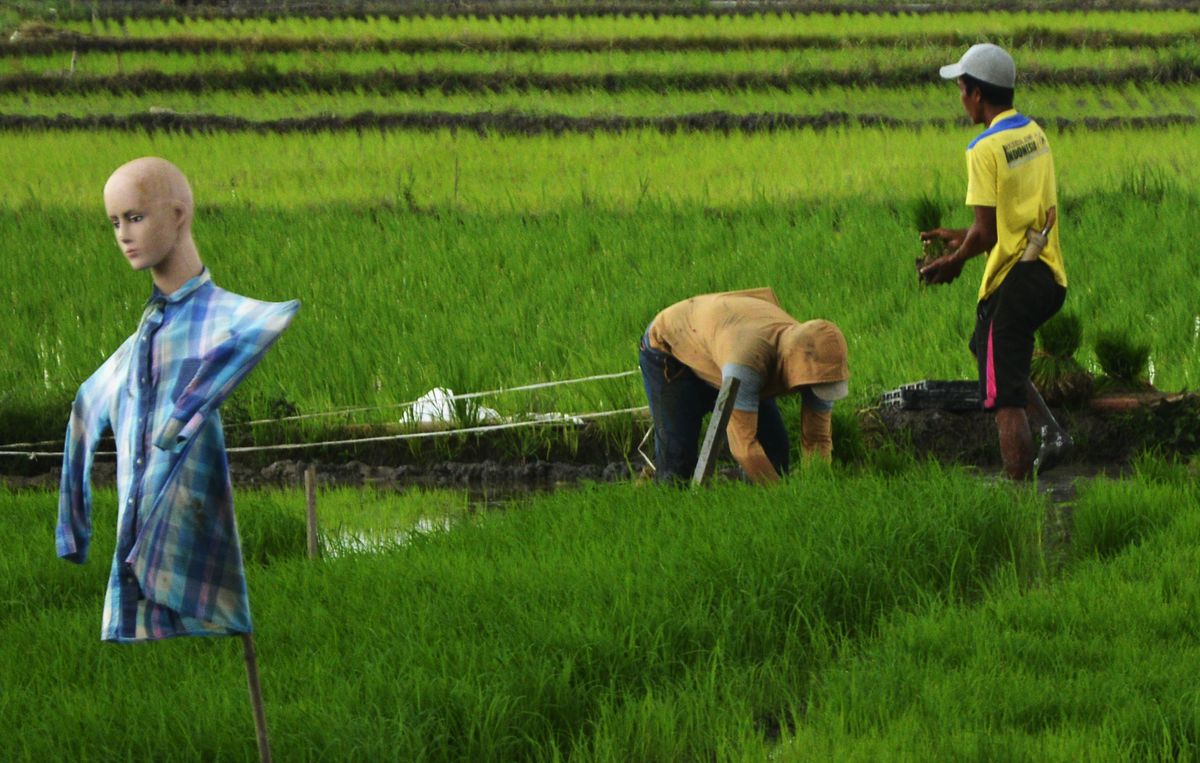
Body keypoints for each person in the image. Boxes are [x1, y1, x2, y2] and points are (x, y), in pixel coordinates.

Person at [57, 157, 300, 642]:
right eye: (115, 222)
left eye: (136, 217)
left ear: (178, 215)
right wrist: (73, 530)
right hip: (139, 545)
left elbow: (265, 323)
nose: (123, 234)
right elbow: (84, 405)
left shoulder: (231, 319)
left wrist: (180, 419)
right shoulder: (134, 348)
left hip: (195, 544)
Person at [919, 43, 1071, 481]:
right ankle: (1054, 434)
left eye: (962, 89)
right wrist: (957, 238)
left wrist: (955, 261)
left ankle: (1018, 495)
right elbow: (1004, 220)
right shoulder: (1033, 133)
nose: (960, 98)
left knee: (1004, 396)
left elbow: (985, 234)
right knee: (983, 347)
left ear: (978, 94)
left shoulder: (983, 148)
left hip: (1015, 277)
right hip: (1047, 273)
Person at [639, 288, 849, 484]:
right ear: (794, 365)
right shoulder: (748, 363)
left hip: (725, 345)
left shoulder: (821, 358)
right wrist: (782, 498)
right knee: (677, 467)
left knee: (774, 453)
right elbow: (743, 445)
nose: (818, 392)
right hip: (673, 349)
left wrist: (817, 484)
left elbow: (818, 438)